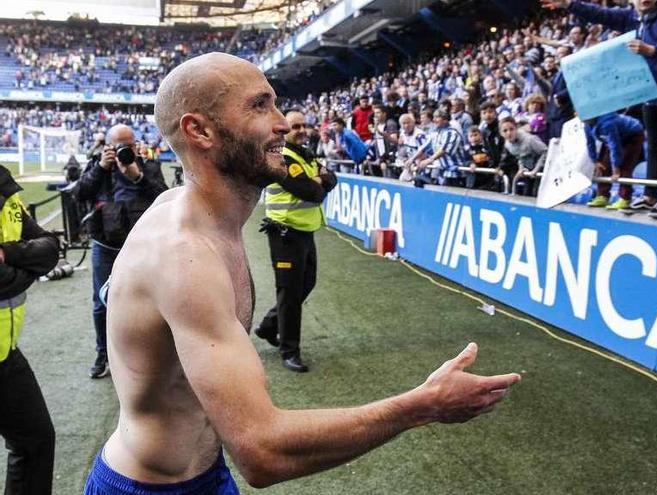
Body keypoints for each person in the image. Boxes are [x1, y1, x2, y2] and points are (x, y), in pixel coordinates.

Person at [83, 52, 520, 493]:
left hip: (207, 473)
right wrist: (422, 405)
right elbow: (262, 451)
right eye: (259, 106)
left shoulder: (185, 216)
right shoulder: (184, 256)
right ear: (200, 130)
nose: (283, 123)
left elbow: (114, 292)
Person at [543, 0, 657, 217]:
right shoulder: (632, 18)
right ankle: (650, 195)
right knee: (654, 147)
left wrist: (653, 50)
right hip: (648, 94)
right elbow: (600, 13)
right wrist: (570, 4)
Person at [76, 124, 168, 379]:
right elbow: (80, 193)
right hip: (105, 245)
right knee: (101, 303)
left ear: (135, 142)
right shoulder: (98, 164)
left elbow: (163, 196)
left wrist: (137, 175)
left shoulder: (147, 162)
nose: (123, 150)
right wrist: (101, 168)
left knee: (149, 302)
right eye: (118, 146)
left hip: (140, 245)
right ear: (108, 146)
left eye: (128, 144)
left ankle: (147, 355)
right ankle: (103, 353)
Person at [253, 111, 337, 372]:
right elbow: (310, 192)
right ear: (284, 129)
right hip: (285, 233)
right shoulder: (283, 157)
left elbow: (331, 178)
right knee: (289, 293)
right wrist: (318, 181)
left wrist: (319, 180)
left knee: (306, 284)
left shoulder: (305, 154)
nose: (301, 129)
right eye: (295, 126)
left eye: (303, 125)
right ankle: (289, 351)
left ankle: (268, 327)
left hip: (304, 231)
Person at [0, 165, 60, 495]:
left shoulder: (6, 192)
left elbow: (50, 246)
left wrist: (9, 254)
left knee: (36, 442)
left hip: (5, 353)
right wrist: (29, 270)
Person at [584, 112, 646, 211]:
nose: (576, 114)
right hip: (615, 136)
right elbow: (589, 143)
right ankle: (602, 196)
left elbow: (614, 147)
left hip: (633, 135)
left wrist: (616, 168)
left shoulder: (607, 123)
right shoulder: (587, 125)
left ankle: (625, 198)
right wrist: (595, 161)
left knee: (625, 165)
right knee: (603, 165)